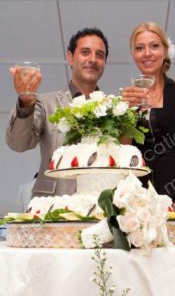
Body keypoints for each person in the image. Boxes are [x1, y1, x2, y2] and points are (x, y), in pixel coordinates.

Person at [6, 27, 109, 198]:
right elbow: (18, 144)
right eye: (85, 52)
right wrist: (25, 103)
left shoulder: (113, 109)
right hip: (52, 206)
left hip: (97, 209)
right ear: (70, 57)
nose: (93, 59)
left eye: (100, 55)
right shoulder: (44, 102)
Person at [122, 22, 175, 207]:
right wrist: (126, 112)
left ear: (165, 50)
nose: (147, 53)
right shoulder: (126, 100)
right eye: (139, 48)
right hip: (141, 199)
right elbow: (124, 153)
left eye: (154, 46)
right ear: (133, 55)